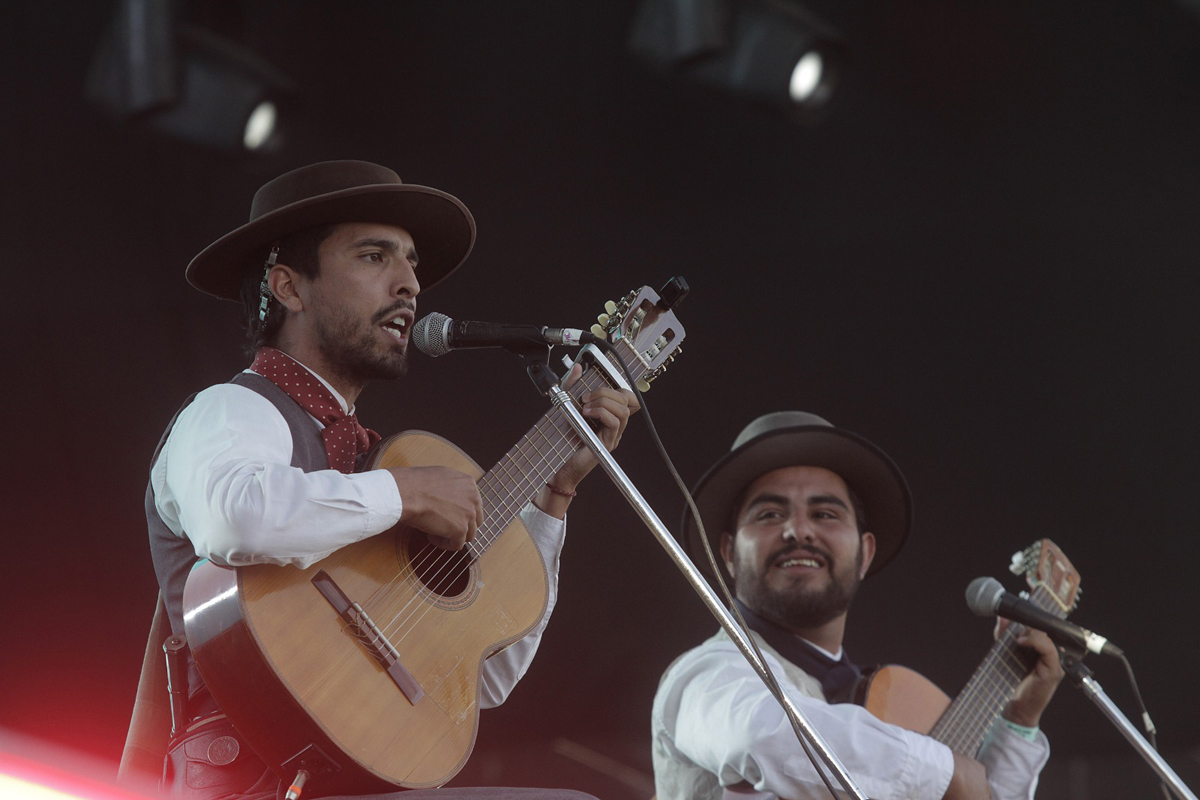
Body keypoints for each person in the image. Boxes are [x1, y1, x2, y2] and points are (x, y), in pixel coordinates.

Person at [146, 160, 637, 799]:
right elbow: (234, 517)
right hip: (253, 781)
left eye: (411, 265)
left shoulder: (367, 462)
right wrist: (406, 493)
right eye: (375, 257)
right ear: (290, 287)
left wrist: (554, 493)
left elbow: (481, 683)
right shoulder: (231, 409)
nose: (409, 284)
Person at [651, 411, 1064, 800]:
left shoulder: (879, 715)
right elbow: (759, 735)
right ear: (728, 553)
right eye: (771, 514)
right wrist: (945, 771)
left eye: (825, 513)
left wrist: (1018, 720)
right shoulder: (706, 675)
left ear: (865, 554)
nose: (798, 530)